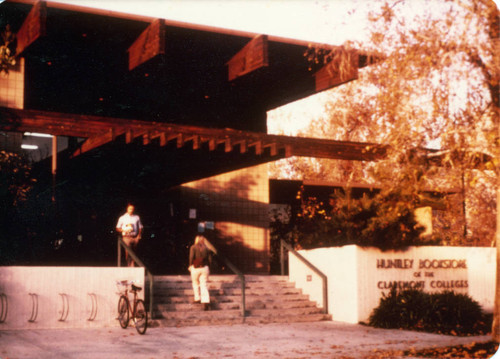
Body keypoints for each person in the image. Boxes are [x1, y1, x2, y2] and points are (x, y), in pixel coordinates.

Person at [188, 235, 215, 311]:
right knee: (204, 284)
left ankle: (197, 298)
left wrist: (190, 265)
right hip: (204, 267)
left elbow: (191, 257)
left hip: (195, 267)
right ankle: (205, 300)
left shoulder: (193, 247)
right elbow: (210, 259)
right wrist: (208, 266)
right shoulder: (207, 248)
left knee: (195, 283)